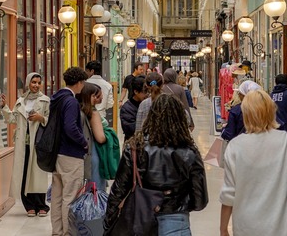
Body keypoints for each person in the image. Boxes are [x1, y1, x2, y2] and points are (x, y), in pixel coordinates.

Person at [219, 90, 287, 236]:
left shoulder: (235, 147)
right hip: (286, 228)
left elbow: (229, 193)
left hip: (247, 228)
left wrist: (223, 229)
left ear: (246, 115)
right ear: (272, 111)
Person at [104, 94, 208, 234]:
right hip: (176, 221)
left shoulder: (135, 148)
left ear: (151, 117)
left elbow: (118, 190)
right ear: (181, 119)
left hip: (140, 219)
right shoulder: (189, 153)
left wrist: (109, 222)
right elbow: (200, 200)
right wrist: (179, 202)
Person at [0, 72, 51, 217]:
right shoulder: (20, 101)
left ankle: (41, 205)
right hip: (23, 143)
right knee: (23, 173)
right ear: (28, 83)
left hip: (38, 142)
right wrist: (4, 107)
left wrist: (41, 118)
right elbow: (11, 119)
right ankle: (28, 205)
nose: (35, 85)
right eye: (33, 82)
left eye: (38, 82)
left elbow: (51, 120)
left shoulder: (45, 100)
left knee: (38, 174)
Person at [50, 67, 89, 236]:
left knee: (57, 198)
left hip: (56, 153)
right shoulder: (71, 101)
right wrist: (83, 142)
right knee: (70, 198)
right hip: (71, 154)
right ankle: (68, 233)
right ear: (79, 83)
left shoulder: (57, 98)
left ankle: (57, 231)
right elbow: (70, 127)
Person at [76, 82, 108, 191]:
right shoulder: (93, 113)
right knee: (95, 187)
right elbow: (100, 137)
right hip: (94, 151)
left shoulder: (78, 110)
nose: (98, 98)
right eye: (95, 96)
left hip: (80, 153)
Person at [120, 76, 147, 141]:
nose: (147, 94)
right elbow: (131, 130)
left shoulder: (148, 104)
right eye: (144, 92)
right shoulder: (126, 109)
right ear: (136, 91)